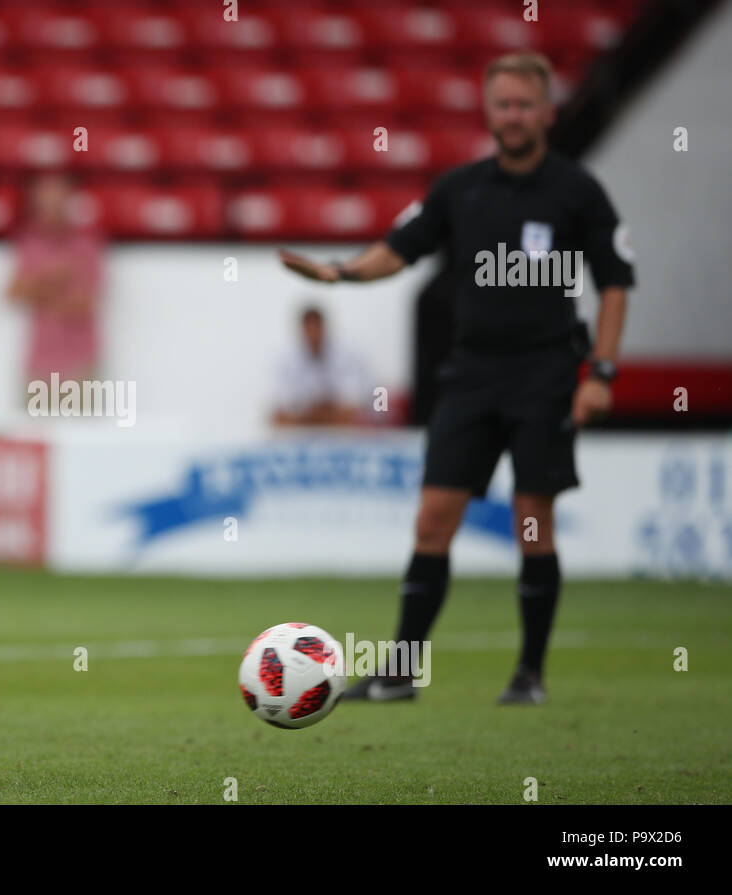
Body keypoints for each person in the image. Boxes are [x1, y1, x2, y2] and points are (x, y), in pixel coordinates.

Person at [279, 52, 634, 704]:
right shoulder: (459, 189)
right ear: (488, 111)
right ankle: (400, 672)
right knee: (431, 520)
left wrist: (600, 372)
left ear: (548, 112)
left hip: (546, 376)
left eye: (526, 104)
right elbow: (401, 248)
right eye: (503, 104)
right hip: (471, 376)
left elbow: (614, 282)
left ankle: (529, 675)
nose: (514, 115)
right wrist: (340, 273)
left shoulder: (577, 192)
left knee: (533, 520)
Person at [7, 172, 106, 388]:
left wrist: (36, 291)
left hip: (79, 363)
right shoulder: (29, 240)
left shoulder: (87, 242)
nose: (52, 206)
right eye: (45, 199)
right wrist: (53, 278)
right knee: (30, 422)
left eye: (57, 198)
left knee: (81, 421)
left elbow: (83, 303)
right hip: (38, 362)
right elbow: (12, 294)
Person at [271, 305, 370, 427]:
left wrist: (315, 412)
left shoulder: (347, 355)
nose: (313, 335)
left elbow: (353, 405)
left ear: (324, 329)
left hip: (336, 426)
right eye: (309, 330)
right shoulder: (286, 359)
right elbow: (282, 408)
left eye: (316, 329)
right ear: (302, 331)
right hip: (306, 425)